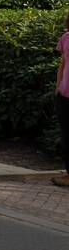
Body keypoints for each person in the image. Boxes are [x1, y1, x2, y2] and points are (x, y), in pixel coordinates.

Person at [54, 11, 69, 187]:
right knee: (67, 136)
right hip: (65, 95)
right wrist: (58, 88)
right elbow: (62, 65)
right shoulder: (66, 38)